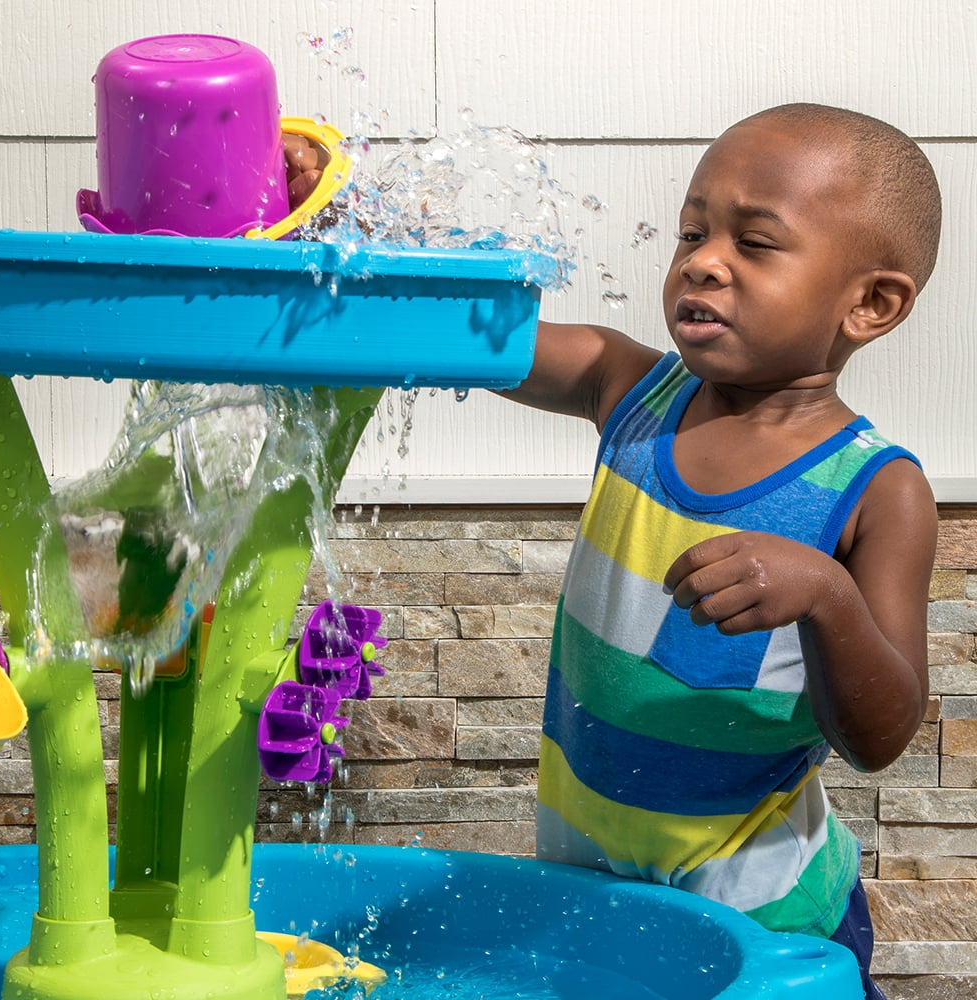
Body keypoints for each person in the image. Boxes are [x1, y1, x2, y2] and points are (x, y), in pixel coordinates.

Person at [287, 103, 941, 999]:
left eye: (755, 243)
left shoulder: (875, 490)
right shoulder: (624, 387)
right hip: (589, 889)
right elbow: (457, 334)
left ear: (869, 303)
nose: (703, 260)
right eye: (692, 232)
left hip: (762, 915)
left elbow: (882, 735)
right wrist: (333, 222)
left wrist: (827, 595)